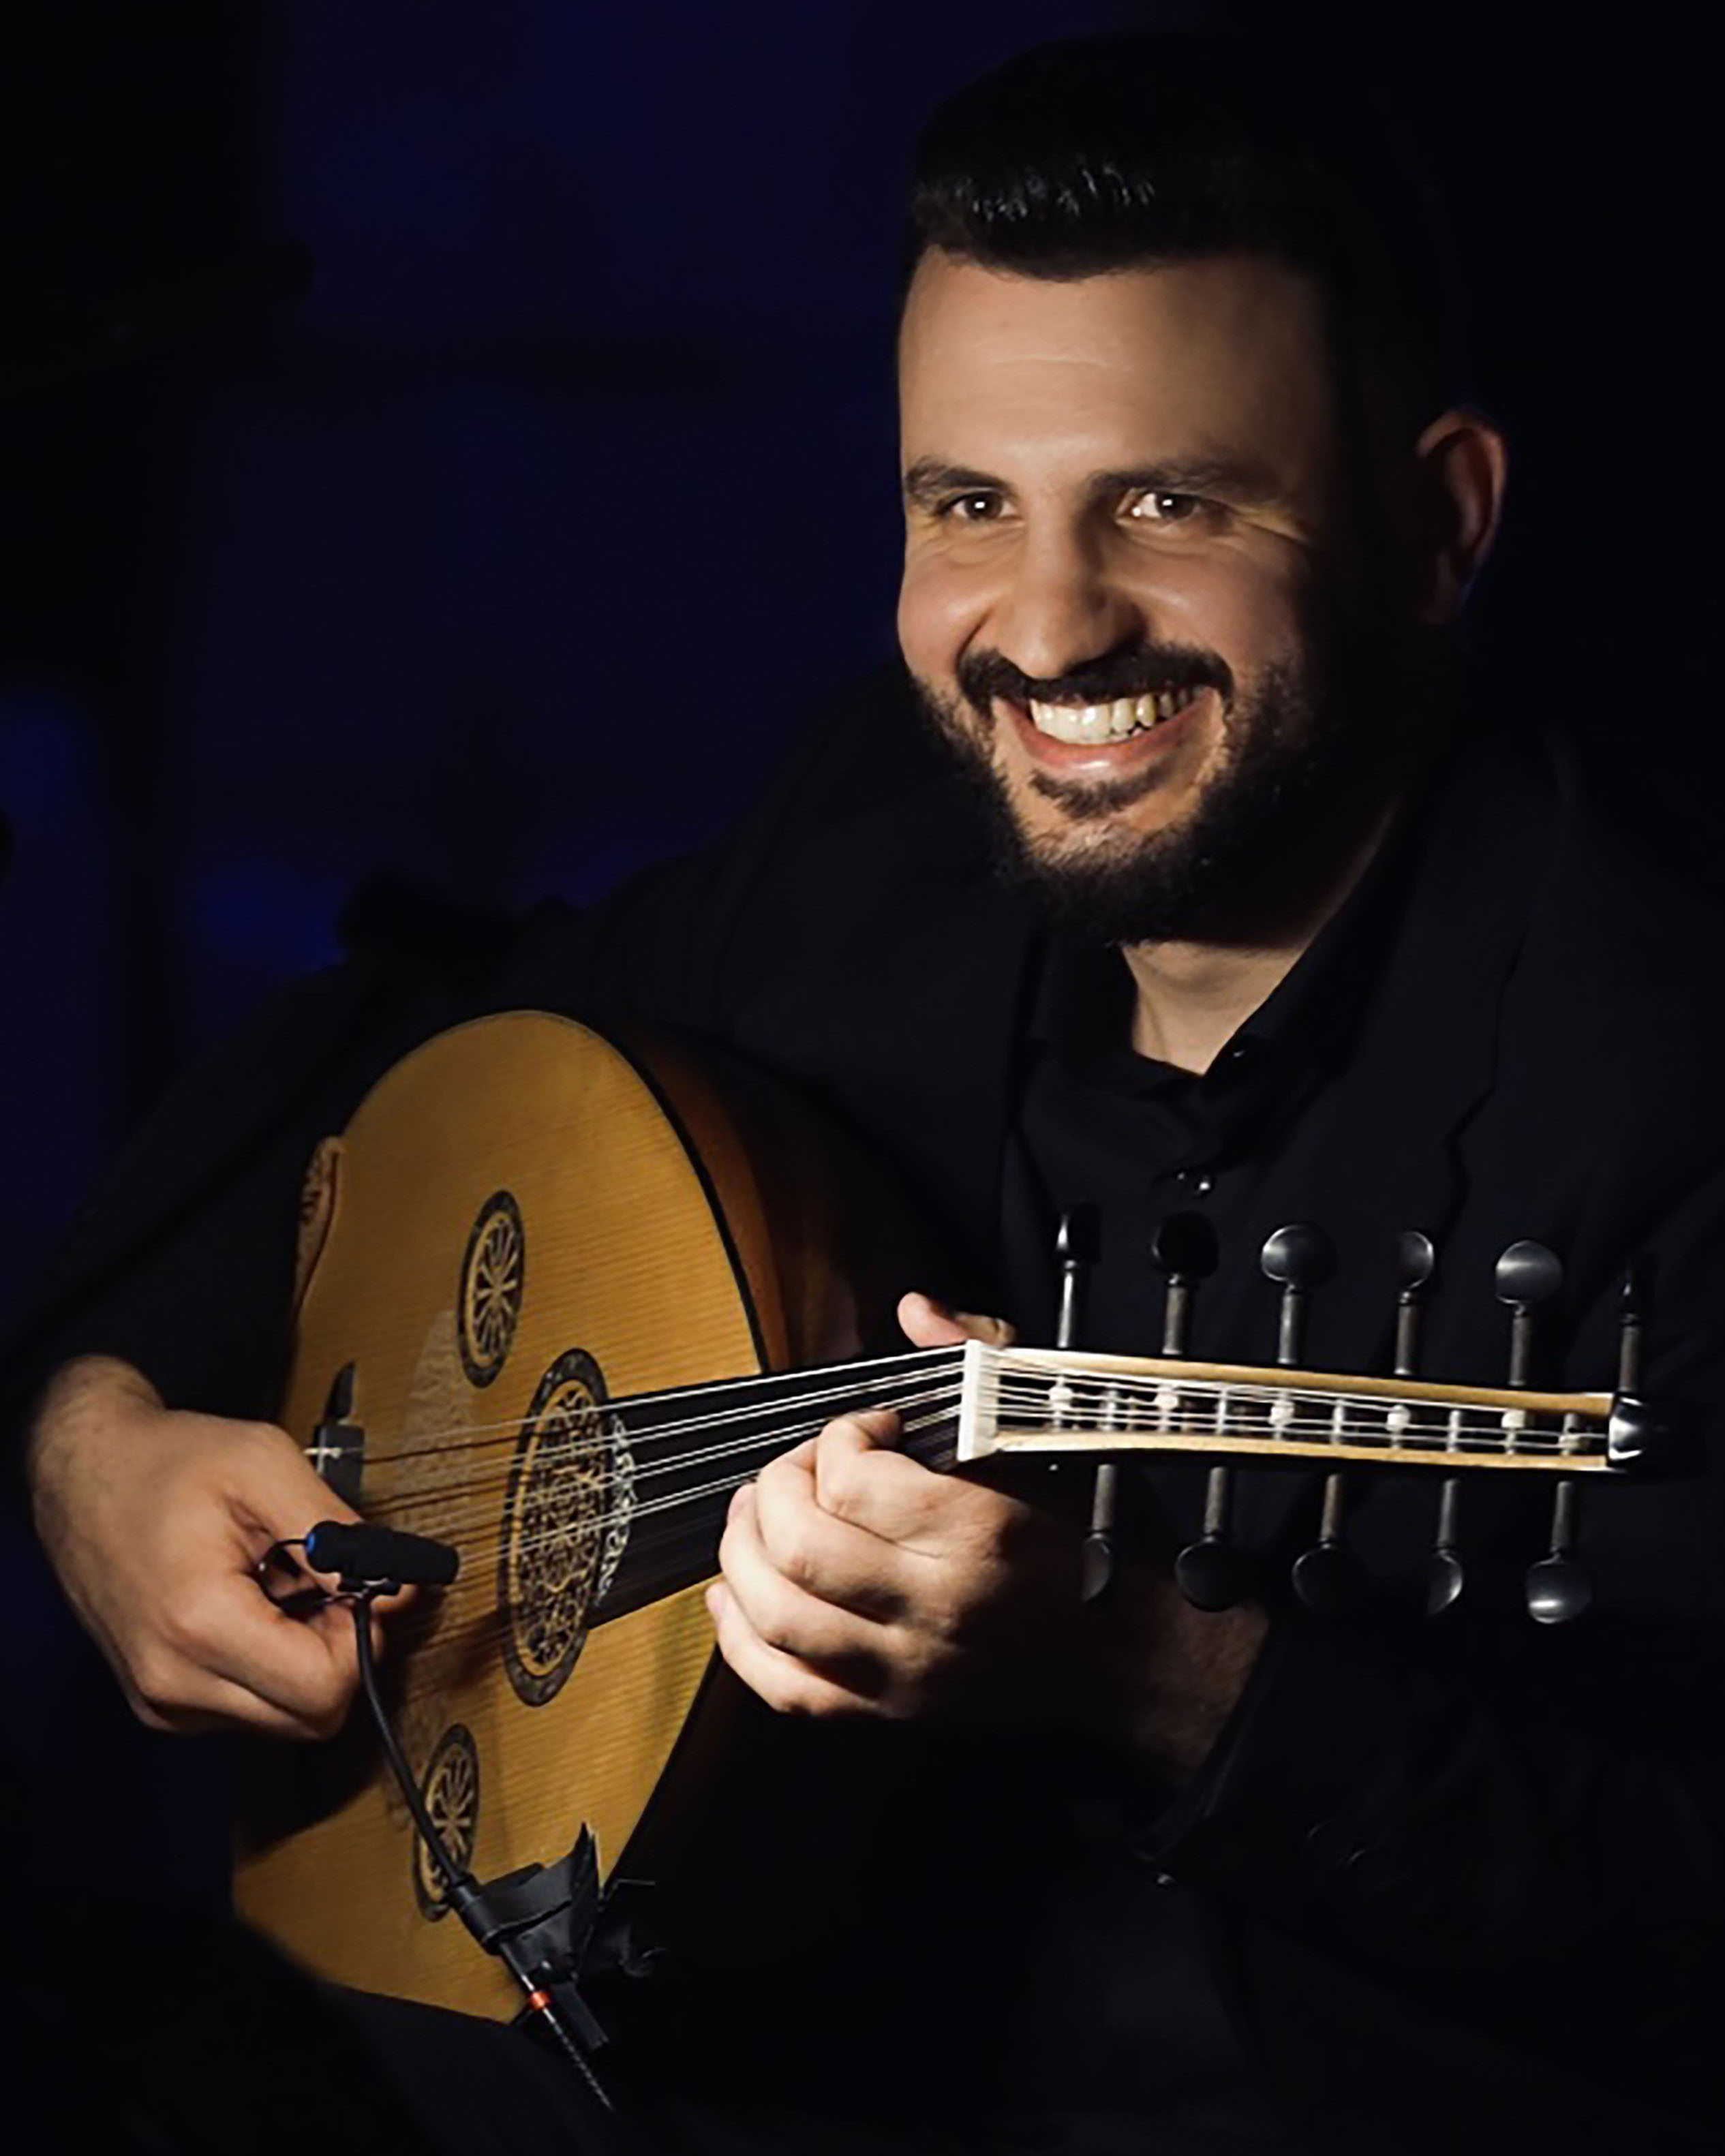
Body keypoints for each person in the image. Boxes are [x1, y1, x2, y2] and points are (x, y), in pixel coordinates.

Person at [9, 31, 1725, 2156]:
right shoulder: (873, 847)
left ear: (1436, 518)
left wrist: (1154, 1675)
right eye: (965, 505)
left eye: (1169, 502)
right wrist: (99, 1439)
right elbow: (415, 1038)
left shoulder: (1661, 1085)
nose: (1047, 629)